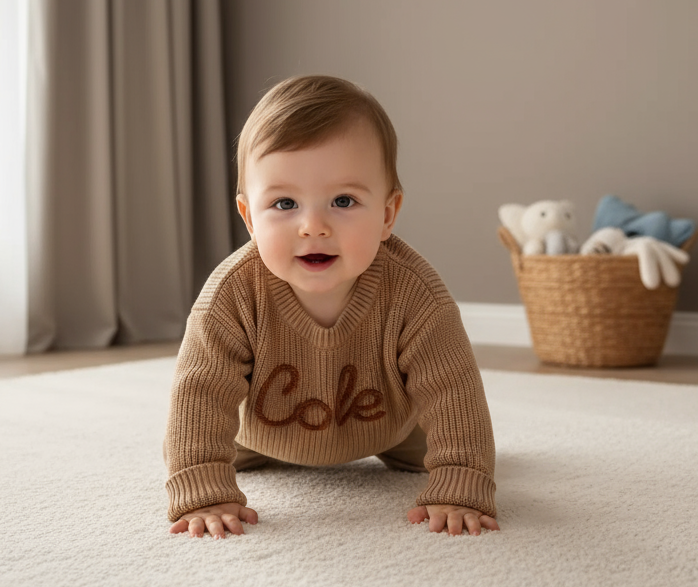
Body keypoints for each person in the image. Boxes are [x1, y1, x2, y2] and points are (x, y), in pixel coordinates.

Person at [164, 75, 499, 539]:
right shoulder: (231, 296)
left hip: (391, 430)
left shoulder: (415, 293)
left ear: (387, 214)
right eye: (285, 203)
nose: (313, 226)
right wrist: (203, 489)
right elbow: (200, 394)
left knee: (451, 440)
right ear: (249, 218)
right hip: (256, 436)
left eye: (343, 201)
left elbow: (452, 391)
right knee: (206, 440)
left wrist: (461, 479)